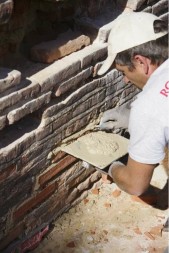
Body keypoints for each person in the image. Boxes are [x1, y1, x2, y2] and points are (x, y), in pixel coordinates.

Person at [97, 11, 168, 199]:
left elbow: (135, 185)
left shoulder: (149, 108)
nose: (126, 80)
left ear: (140, 61)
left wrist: (109, 166)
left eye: (123, 72)